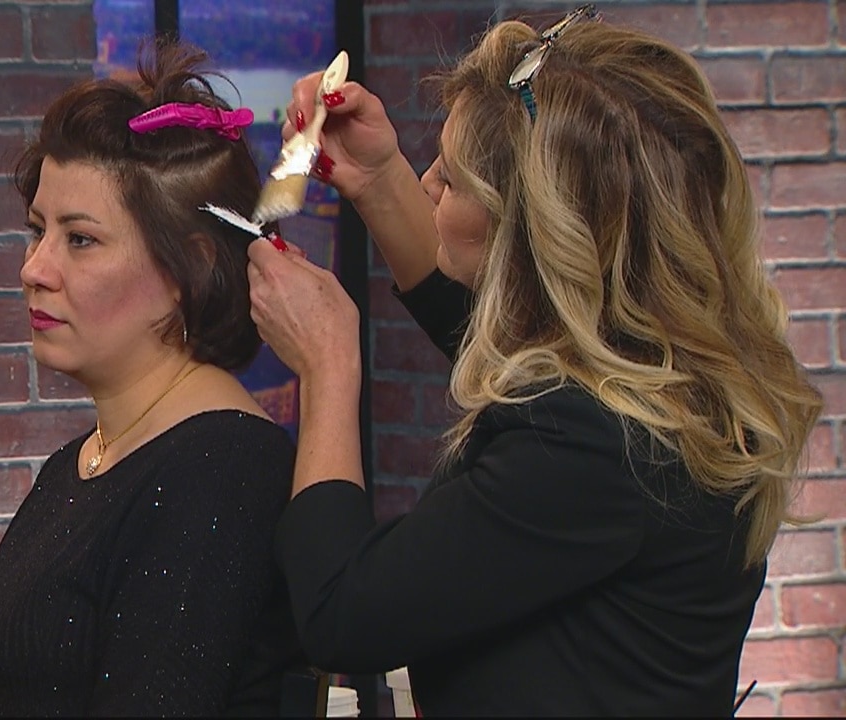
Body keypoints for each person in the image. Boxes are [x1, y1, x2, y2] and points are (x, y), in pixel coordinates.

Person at [246, 6, 824, 716]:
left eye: (452, 180)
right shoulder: (659, 373)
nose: (427, 185)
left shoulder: (591, 444)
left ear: (534, 231)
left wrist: (328, 365)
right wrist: (376, 176)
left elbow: (343, 613)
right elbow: (485, 335)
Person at [0, 39, 306, 716]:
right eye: (38, 230)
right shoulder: (78, 463)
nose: (34, 268)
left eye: (80, 240)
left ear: (188, 268)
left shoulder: (224, 468)